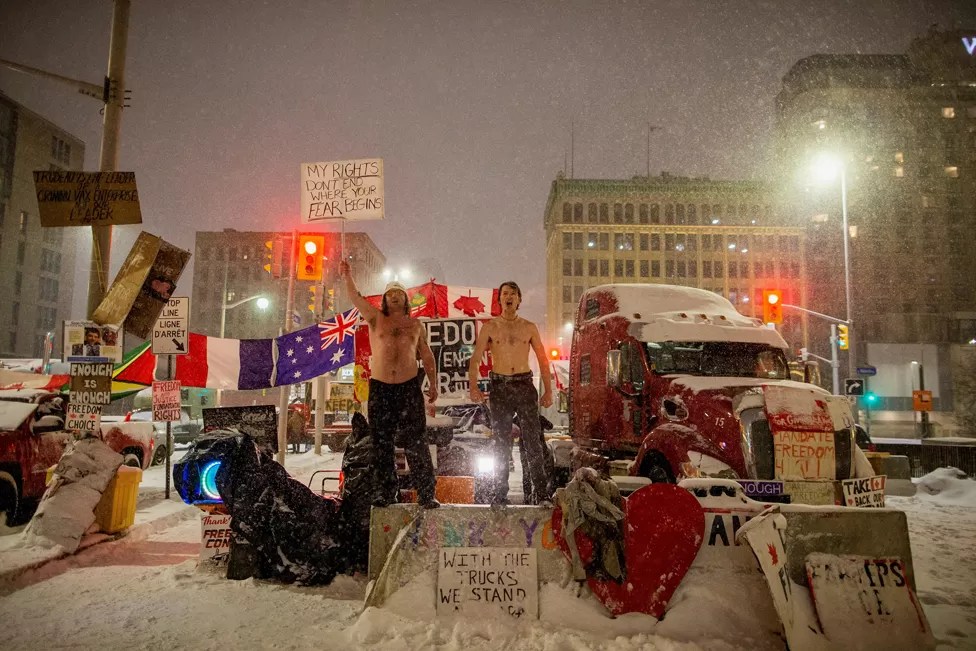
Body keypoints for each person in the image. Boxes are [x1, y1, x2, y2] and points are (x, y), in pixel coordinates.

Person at [340, 260, 440, 508]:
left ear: (406, 300)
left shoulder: (415, 325)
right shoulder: (375, 318)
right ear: (384, 300)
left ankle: (426, 494)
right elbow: (355, 297)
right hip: (381, 387)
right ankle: (385, 492)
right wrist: (347, 274)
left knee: (416, 441)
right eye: (390, 294)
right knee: (381, 443)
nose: (395, 297)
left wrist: (433, 384)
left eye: (399, 294)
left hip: (408, 388)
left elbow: (426, 354)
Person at [468, 281, 553, 506]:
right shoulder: (490, 327)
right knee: (501, 442)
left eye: (513, 294)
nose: (509, 297)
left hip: (524, 385)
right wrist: (473, 386)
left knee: (533, 440)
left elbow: (543, 360)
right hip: (500, 386)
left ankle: (542, 494)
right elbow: (476, 358)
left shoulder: (529, 327)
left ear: (519, 300)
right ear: (499, 300)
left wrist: (549, 390)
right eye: (505, 293)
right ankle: (500, 494)